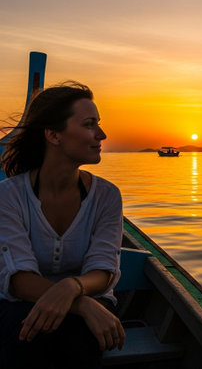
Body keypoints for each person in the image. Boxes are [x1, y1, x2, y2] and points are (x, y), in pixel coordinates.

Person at [0, 82, 125, 369]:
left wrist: (72, 286)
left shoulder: (106, 196)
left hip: (90, 299)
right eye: (89, 124)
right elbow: (18, 279)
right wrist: (79, 302)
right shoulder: (8, 196)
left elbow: (103, 270)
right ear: (53, 135)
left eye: (98, 124)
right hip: (24, 303)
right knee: (29, 330)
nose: (101, 134)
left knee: (77, 335)